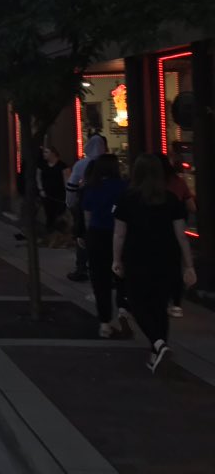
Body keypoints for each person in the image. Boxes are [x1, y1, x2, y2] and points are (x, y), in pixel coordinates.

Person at [112, 154, 197, 374]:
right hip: (166, 257)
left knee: (139, 303)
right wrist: (188, 265)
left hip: (137, 257)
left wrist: (116, 259)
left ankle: (158, 344)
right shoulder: (170, 199)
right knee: (159, 305)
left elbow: (120, 234)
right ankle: (157, 349)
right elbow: (181, 236)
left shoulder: (128, 199)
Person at [80, 154, 129, 337]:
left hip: (98, 235)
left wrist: (87, 234)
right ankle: (123, 308)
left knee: (100, 280)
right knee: (122, 274)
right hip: (121, 234)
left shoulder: (92, 189)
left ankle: (105, 323)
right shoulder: (124, 187)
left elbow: (87, 216)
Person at [65, 133, 108, 281]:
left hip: (85, 204)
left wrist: (70, 203)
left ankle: (82, 268)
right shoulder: (108, 164)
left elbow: (71, 185)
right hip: (106, 206)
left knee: (82, 236)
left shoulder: (81, 164)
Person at [159, 154, 196, 318]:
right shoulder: (178, 182)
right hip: (175, 228)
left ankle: (162, 298)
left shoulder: (150, 185)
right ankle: (176, 303)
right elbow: (192, 206)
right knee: (174, 266)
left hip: (155, 231)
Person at [37, 145, 71, 245]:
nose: (44, 155)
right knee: (49, 215)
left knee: (59, 216)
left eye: (46, 152)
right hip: (47, 195)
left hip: (60, 195)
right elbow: (38, 177)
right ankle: (49, 236)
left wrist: (68, 195)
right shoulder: (42, 165)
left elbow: (67, 181)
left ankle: (59, 238)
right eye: (44, 152)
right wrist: (41, 189)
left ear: (53, 153)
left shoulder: (62, 166)